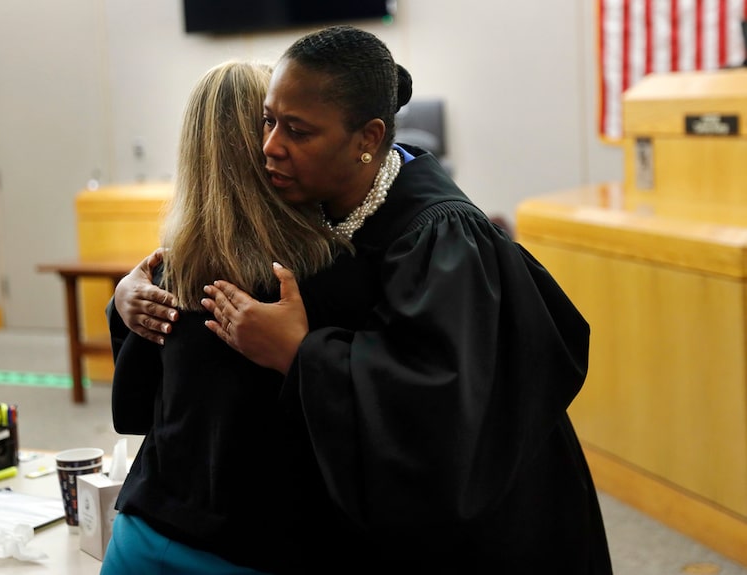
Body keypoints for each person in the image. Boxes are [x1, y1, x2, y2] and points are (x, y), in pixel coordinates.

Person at [113, 25, 613, 574]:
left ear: (367, 139)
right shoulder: (322, 212)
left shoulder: (441, 239)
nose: (269, 147)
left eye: (297, 131)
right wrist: (131, 293)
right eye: (268, 121)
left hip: (493, 516)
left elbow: (440, 409)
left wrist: (300, 353)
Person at [100, 60, 340, 575]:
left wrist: (122, 303)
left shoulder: (167, 273)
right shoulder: (319, 272)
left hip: (143, 540)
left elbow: (134, 412)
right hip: (258, 549)